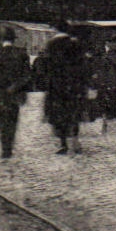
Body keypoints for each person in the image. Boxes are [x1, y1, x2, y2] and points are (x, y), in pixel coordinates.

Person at [41, 25, 90, 154]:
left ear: (56, 30)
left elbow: (45, 67)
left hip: (57, 85)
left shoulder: (51, 45)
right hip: (75, 85)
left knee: (59, 114)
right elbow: (84, 66)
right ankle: (75, 141)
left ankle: (63, 144)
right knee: (74, 112)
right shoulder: (76, 44)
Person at [0, 28, 31, 158]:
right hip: (15, 94)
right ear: (13, 40)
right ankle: (9, 145)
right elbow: (27, 76)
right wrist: (16, 87)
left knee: (2, 121)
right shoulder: (22, 54)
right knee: (12, 120)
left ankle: (5, 148)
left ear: (1, 40)